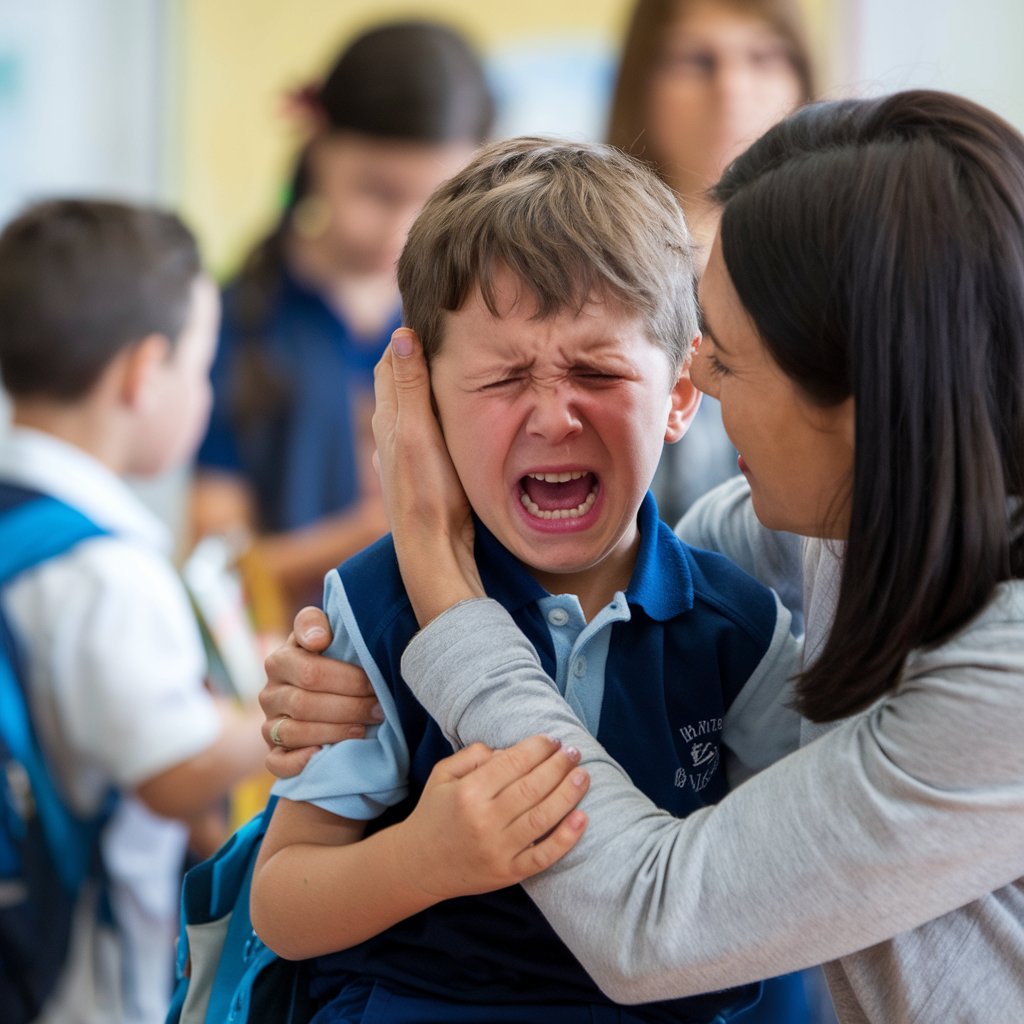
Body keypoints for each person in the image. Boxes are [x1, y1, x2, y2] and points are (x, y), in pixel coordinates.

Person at [262, 90, 1024, 1022]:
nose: (705, 381)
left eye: (727, 360)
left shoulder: (999, 674)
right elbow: (674, 566)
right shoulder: (851, 513)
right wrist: (349, 672)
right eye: (503, 377)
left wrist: (442, 580)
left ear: (869, 401)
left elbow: (658, 921)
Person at [250, 136, 809, 1023]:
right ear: (424, 405)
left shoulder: (737, 627)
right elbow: (281, 903)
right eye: (504, 377)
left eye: (597, 371)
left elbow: (803, 869)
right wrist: (423, 859)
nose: (553, 417)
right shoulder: (378, 604)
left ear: (680, 396)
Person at [0, 199, 269, 1024]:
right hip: (74, 983)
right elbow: (171, 772)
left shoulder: (18, 518)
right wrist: (277, 709)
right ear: (144, 372)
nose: (204, 391)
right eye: (201, 367)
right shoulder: (108, 567)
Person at [191, 20, 493, 617]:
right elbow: (216, 577)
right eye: (376, 192)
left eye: (433, 198)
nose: (400, 230)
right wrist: (380, 529)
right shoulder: (236, 319)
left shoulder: (479, 316)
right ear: (317, 147)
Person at [608, 0, 815, 525]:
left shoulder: (835, 259)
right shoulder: (588, 261)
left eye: (763, 57)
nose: (732, 89)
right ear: (642, 81)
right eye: (698, 61)